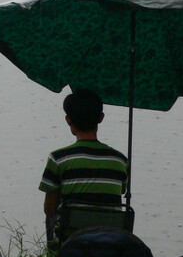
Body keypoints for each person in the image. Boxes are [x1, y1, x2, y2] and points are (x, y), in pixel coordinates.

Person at [39, 89, 129, 248]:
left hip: (71, 242)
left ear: (68, 120)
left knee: (54, 213)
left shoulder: (58, 159)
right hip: (111, 242)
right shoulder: (120, 161)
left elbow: (49, 209)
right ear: (101, 118)